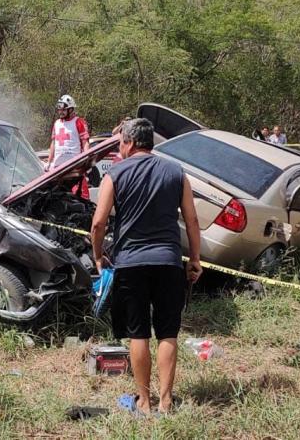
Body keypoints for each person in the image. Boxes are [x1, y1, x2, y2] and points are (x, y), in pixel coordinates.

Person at [90, 118, 202, 416]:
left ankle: (145, 402)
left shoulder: (115, 174)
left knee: (138, 333)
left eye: (120, 144)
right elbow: (192, 220)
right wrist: (195, 260)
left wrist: (98, 255)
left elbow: (98, 222)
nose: (119, 149)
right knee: (168, 333)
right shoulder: (177, 173)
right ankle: (166, 401)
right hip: (167, 262)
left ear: (129, 142)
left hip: (131, 264)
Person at [46, 94, 91, 199]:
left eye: (63, 110)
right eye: (59, 110)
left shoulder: (78, 122)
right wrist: (49, 162)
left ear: (70, 109)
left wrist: (86, 161)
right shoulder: (57, 123)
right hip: (58, 168)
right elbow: (53, 143)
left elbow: (85, 142)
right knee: (57, 197)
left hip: (74, 167)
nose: (60, 112)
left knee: (81, 197)